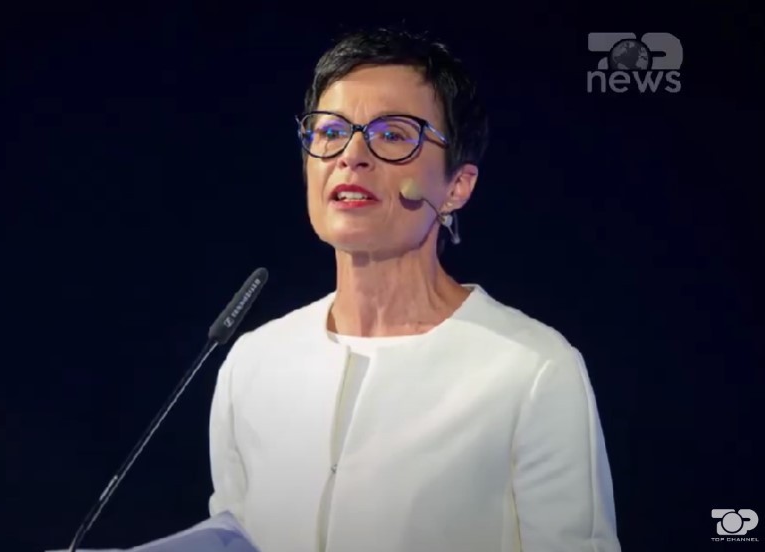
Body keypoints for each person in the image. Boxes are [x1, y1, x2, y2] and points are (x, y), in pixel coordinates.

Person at [207, 26, 620, 552]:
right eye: (331, 131)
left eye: (393, 134)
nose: (351, 155)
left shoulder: (531, 370)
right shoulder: (252, 363)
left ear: (456, 186)